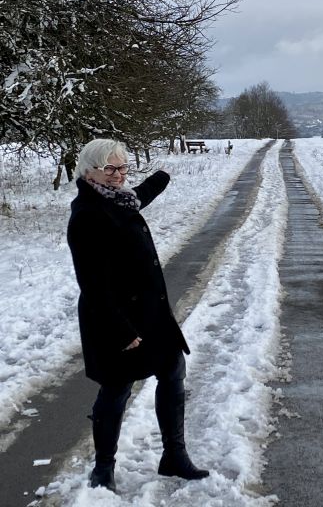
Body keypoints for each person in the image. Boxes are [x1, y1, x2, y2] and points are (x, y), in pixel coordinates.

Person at [67, 138, 209, 492]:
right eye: (110, 169)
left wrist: (160, 177)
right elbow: (93, 285)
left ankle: (174, 455)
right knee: (116, 389)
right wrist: (121, 331)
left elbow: (136, 197)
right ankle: (103, 469)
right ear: (89, 172)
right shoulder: (87, 215)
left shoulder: (117, 200)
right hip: (115, 319)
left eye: (123, 168)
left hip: (149, 313)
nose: (118, 175)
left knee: (173, 368)